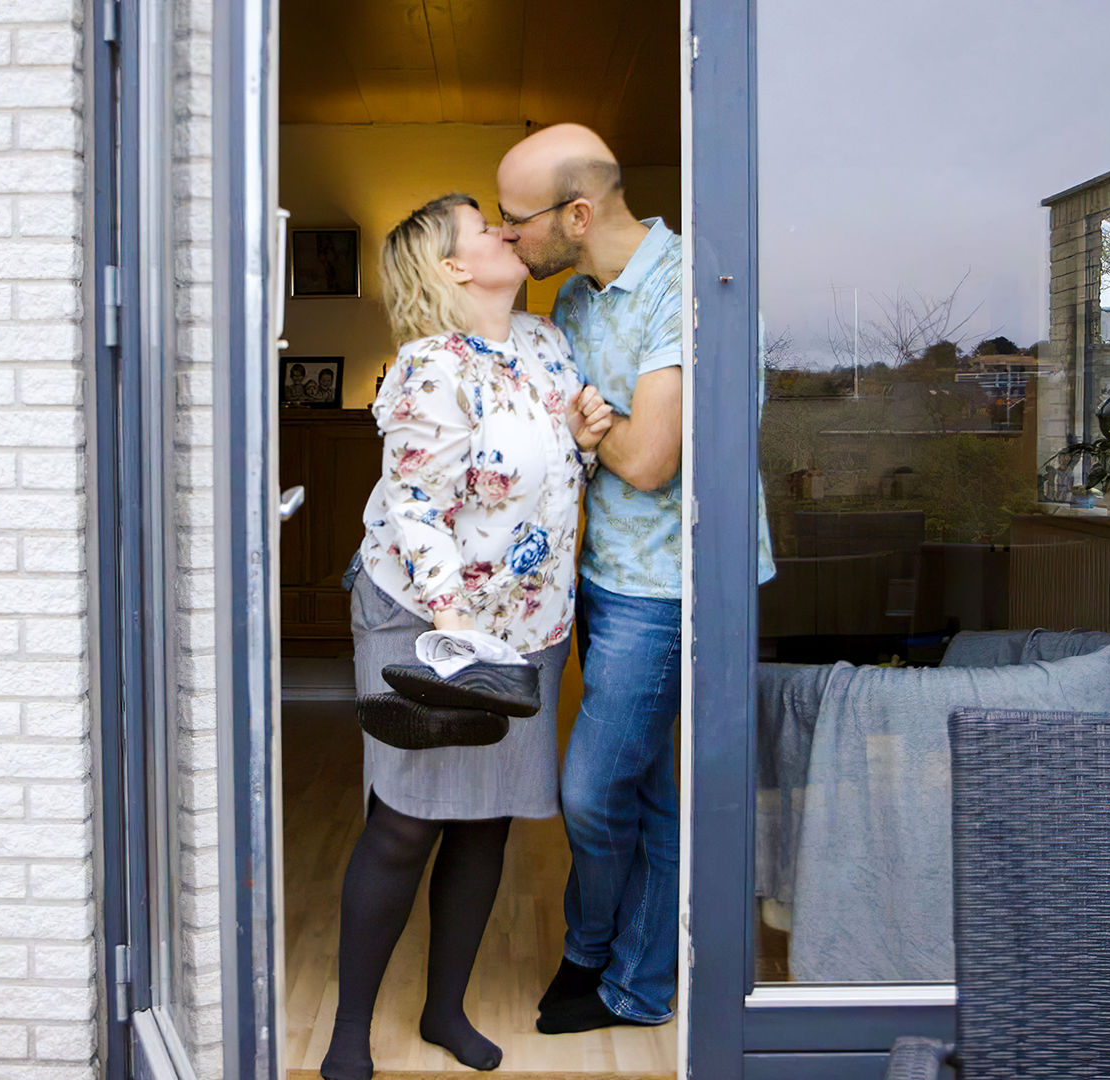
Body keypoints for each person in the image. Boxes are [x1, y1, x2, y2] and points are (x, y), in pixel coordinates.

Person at [320, 192, 613, 1080]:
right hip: (424, 617)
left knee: (486, 821)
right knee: (405, 821)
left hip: (523, 623)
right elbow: (415, 504)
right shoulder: (428, 366)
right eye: (484, 228)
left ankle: (444, 1009)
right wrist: (451, 629)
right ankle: (348, 1031)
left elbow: (544, 481)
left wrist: (583, 442)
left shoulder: (547, 344)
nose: (505, 231)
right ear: (453, 266)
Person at [496, 124, 775, 1033]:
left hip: (669, 586)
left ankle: (593, 953)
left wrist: (597, 424)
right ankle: (639, 983)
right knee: (645, 790)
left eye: (516, 218)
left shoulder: (686, 286)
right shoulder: (575, 298)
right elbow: (573, 437)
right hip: (604, 575)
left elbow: (651, 460)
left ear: (577, 215)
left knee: (591, 789)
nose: (507, 234)